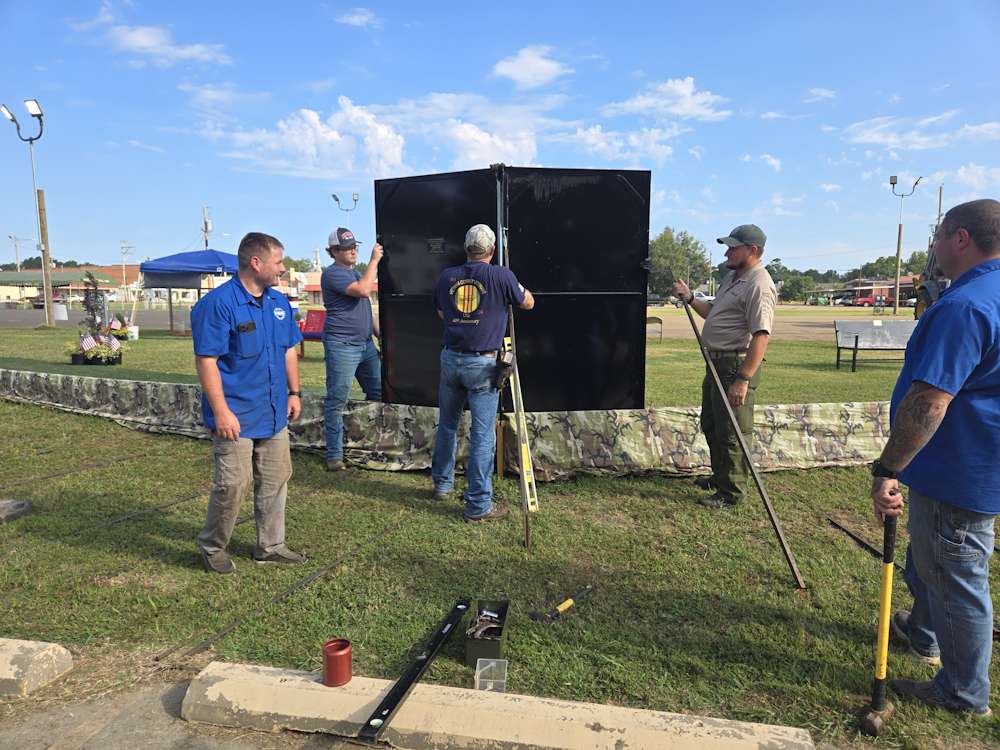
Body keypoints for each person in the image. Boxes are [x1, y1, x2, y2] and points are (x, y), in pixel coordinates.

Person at [871, 198, 1000, 718]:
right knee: (931, 561)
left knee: (956, 574)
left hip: (958, 470)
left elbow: (930, 401)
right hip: (970, 463)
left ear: (961, 238)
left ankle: (962, 692)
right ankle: (923, 630)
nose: (935, 248)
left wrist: (888, 468)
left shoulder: (965, 306)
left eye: (938, 237)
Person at [191, 232, 306, 574]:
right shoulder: (219, 304)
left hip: (272, 411)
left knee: (276, 478)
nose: (283, 269)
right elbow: (207, 360)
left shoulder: (278, 303)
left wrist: (294, 392)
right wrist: (222, 411)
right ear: (256, 262)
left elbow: (288, 350)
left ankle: (270, 545)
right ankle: (212, 546)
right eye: (279, 261)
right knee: (232, 484)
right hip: (236, 414)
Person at [431, 224, 534, 522]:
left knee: (448, 426)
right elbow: (528, 302)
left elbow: (442, 312)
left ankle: (443, 484)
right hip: (483, 365)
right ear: (490, 250)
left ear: (466, 249)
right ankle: (477, 505)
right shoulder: (502, 275)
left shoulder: (446, 276)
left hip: (450, 360)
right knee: (482, 435)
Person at [672, 224, 776, 509]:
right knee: (713, 424)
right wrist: (691, 298)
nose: (727, 252)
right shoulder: (734, 278)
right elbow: (713, 312)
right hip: (716, 363)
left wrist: (743, 378)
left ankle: (732, 493)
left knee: (732, 430)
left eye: (733, 247)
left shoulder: (759, 285)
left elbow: (761, 336)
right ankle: (721, 477)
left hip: (734, 366)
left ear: (752, 250)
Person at [321, 227, 383, 471]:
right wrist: (374, 260)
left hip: (365, 344)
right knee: (337, 399)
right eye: (347, 247)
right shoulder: (333, 274)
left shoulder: (355, 272)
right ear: (334, 251)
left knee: (378, 392)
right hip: (342, 345)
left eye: (354, 245)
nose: (353, 250)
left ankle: (367, 440)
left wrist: (380, 335)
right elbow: (363, 290)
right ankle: (334, 455)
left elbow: (367, 307)